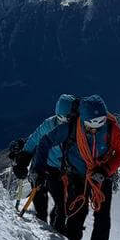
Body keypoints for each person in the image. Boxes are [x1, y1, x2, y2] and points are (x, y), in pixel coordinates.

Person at [32, 94, 120, 240]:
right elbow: (45, 141)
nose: (94, 130)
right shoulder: (71, 127)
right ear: (82, 120)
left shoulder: (110, 128)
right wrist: (38, 168)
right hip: (76, 174)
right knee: (77, 211)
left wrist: (105, 169)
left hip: (101, 175)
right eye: (90, 126)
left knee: (102, 214)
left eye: (99, 125)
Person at [11, 94, 76, 225]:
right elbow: (33, 140)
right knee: (39, 194)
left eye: (68, 117)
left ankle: (57, 228)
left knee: (61, 202)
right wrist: (23, 160)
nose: (64, 121)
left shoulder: (76, 129)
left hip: (60, 170)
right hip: (43, 165)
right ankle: (41, 222)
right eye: (62, 117)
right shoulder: (49, 124)